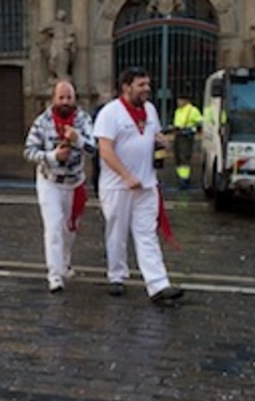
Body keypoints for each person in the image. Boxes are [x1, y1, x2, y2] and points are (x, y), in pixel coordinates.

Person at [93, 66, 183, 306]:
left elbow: (151, 133)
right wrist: (125, 176)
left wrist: (160, 139)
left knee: (147, 234)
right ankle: (116, 275)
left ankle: (158, 284)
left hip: (147, 183)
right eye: (141, 85)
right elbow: (105, 149)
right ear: (126, 87)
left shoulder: (150, 109)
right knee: (117, 232)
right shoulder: (110, 113)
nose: (147, 89)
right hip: (117, 186)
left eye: (147, 84)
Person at [24, 80, 95, 293]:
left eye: (69, 97)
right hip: (50, 182)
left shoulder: (83, 120)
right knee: (54, 227)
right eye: (61, 97)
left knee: (69, 229)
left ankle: (65, 263)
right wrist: (52, 156)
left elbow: (94, 148)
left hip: (75, 182)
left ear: (75, 99)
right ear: (53, 99)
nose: (65, 102)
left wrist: (78, 139)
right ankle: (54, 275)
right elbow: (28, 152)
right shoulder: (42, 122)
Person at [169, 94, 202, 190]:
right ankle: (181, 178)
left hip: (186, 137)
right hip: (178, 135)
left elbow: (200, 122)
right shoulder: (178, 111)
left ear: (186, 101)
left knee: (184, 157)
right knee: (178, 157)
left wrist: (192, 129)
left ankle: (184, 180)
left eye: (180, 100)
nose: (178, 102)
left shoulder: (193, 110)